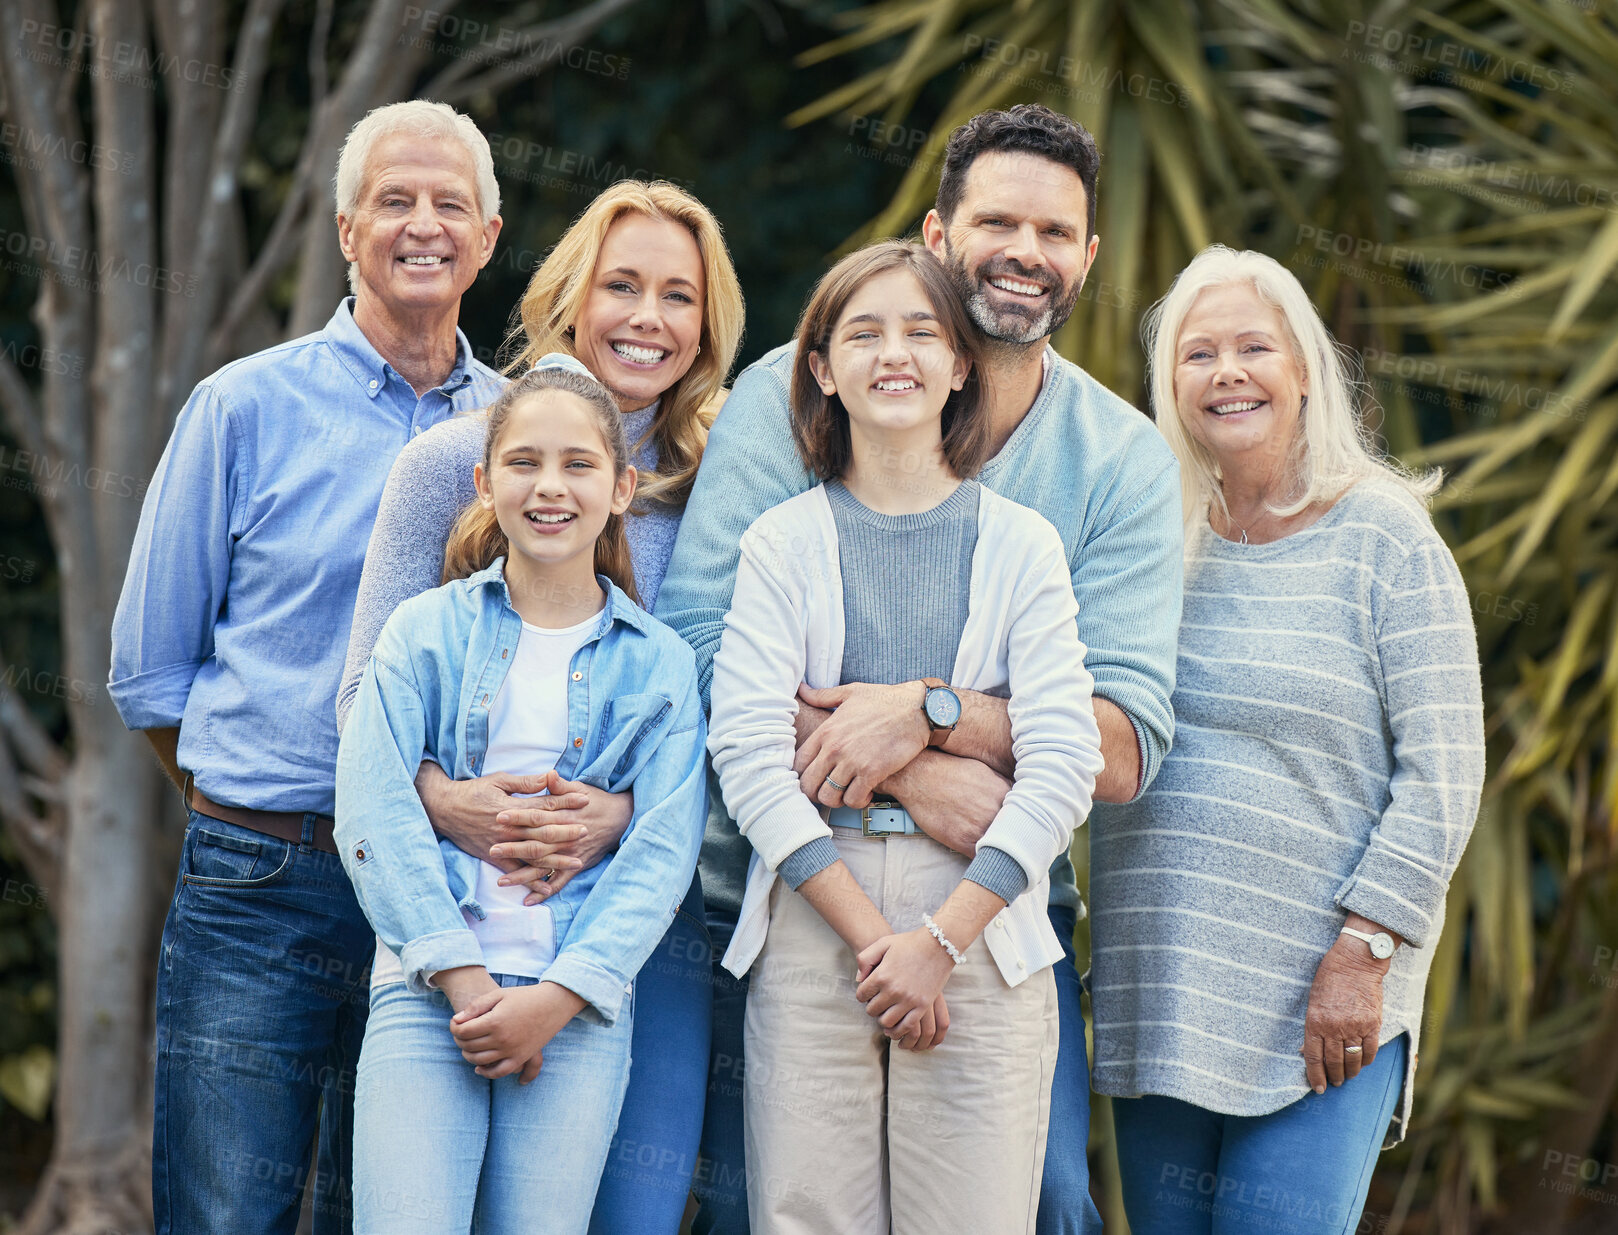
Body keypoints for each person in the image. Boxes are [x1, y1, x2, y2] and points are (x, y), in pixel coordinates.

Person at [655, 103, 1182, 1235]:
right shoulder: (779, 405)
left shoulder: (1118, 461)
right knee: (770, 1203)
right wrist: (910, 775)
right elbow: (697, 657)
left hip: (995, 903)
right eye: (998, 220)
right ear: (940, 235)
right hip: (771, 890)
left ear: (1087, 257)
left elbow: (1124, 742)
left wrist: (928, 714)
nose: (1026, 252)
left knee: (1036, 1204)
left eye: (1055, 232)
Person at [108, 100, 505, 1234]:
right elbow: (151, 674)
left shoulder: (522, 432)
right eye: (394, 200)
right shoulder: (243, 405)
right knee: (226, 1211)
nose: (421, 224)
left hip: (448, 893)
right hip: (262, 881)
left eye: (448, 204)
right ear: (345, 231)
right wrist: (261, 809)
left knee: (385, 1214)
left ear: (486, 235)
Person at [336, 179, 744, 1233]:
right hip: (445, 928)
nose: (647, 317)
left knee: (625, 1207)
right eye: (621, 285)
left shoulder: (720, 485)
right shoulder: (448, 469)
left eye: (677, 296)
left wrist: (619, 814)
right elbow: (367, 720)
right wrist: (456, 802)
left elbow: (708, 727)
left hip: (622, 931)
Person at [707, 239, 1105, 1232]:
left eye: (923, 331)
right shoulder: (780, 544)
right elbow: (751, 756)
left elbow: (1064, 760)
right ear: (820, 367)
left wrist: (938, 942)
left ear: (961, 362)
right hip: (814, 911)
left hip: (982, 920)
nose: (896, 353)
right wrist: (880, 944)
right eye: (864, 332)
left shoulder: (1023, 546)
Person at [1088, 245, 1485, 1235]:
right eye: (1197, 352)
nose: (1226, 371)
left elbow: (1444, 771)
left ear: (1303, 369)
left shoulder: (1385, 537)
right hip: (1161, 988)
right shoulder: (1148, 542)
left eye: (1252, 346)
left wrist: (1365, 948)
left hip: (1325, 996)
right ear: (1167, 384)